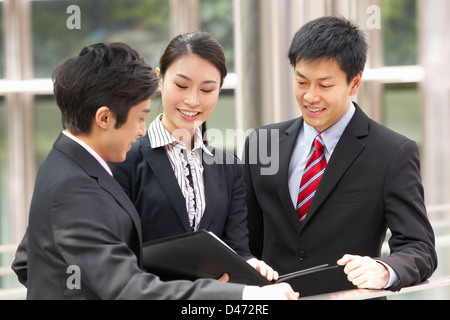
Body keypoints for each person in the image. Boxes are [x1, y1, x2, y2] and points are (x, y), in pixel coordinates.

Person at [11, 42, 298, 300]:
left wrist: (242, 271)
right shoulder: (95, 171)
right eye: (139, 118)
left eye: (207, 89)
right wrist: (244, 295)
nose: (140, 130)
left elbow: (37, 260)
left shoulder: (73, 163)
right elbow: (123, 286)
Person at [243, 16, 437, 297]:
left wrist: (384, 269)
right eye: (301, 81)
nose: (310, 96)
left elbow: (420, 248)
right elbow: (246, 240)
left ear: (354, 83)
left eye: (324, 85)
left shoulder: (392, 152)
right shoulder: (262, 143)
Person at [109, 32, 277, 281]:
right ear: (160, 79)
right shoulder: (124, 158)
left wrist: (251, 264)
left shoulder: (228, 166)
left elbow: (238, 250)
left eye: (207, 89)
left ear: (220, 89)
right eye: (181, 85)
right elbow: (115, 253)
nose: (193, 100)